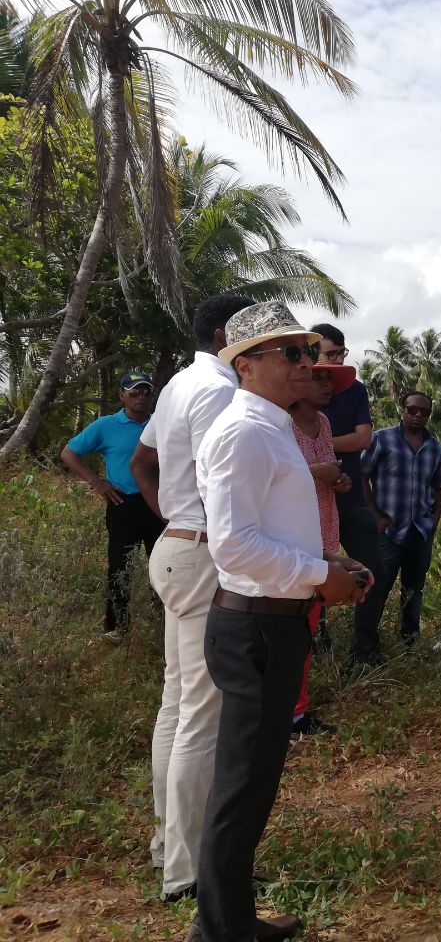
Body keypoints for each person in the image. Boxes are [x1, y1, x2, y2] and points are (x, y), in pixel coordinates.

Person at [192, 300, 369, 942]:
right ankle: (221, 930)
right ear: (246, 364)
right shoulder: (244, 432)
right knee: (242, 786)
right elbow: (233, 545)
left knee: (255, 781)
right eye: (291, 352)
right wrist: (320, 574)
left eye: (308, 352)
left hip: (276, 621)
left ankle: (232, 920)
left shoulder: (272, 429)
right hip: (257, 628)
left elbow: (271, 528)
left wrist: (328, 560)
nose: (306, 363)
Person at [131, 294, 253, 902]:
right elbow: (221, 483)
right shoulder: (221, 390)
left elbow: (142, 462)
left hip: (178, 548)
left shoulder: (180, 383)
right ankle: (187, 870)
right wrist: (197, 526)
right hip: (203, 555)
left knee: (177, 704)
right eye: (254, 332)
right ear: (228, 334)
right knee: (202, 715)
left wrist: (174, 520)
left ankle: (168, 847)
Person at [61, 369, 165, 635]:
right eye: (134, 392)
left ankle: (163, 621)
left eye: (146, 391)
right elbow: (69, 453)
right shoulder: (106, 425)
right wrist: (97, 482)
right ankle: (116, 627)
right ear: (122, 396)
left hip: (159, 504)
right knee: (120, 566)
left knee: (163, 563)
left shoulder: (161, 423)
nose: (141, 397)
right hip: (123, 504)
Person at [311, 323, 387, 665]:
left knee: (374, 570)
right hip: (312, 500)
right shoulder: (296, 392)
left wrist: (320, 448)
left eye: (341, 353)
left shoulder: (355, 389)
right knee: (312, 572)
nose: (337, 361)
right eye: (330, 354)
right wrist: (325, 455)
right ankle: (316, 643)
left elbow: (363, 438)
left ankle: (364, 649)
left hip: (351, 495)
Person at [289, 363, 357, 739]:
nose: (327, 385)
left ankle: (296, 710)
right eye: (319, 378)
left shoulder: (325, 424)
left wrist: (338, 479)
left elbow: (327, 469)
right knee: (292, 627)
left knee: (306, 627)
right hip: (293, 537)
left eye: (330, 380)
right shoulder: (282, 424)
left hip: (323, 531)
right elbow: (275, 475)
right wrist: (320, 472)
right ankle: (290, 712)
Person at [360, 391, 441, 649]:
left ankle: (410, 641)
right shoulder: (382, 439)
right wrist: (376, 515)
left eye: (424, 411)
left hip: (420, 531)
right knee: (377, 587)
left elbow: (439, 487)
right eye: (412, 409)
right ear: (402, 410)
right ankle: (365, 646)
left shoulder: (436, 447)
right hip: (388, 531)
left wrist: (434, 520)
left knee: (414, 590)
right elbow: (362, 476)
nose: (418, 415)